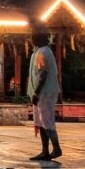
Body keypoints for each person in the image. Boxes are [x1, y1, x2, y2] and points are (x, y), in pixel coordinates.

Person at [27, 29, 62, 161]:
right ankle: (45, 151)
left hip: (44, 92)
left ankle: (56, 148)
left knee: (46, 121)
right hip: (41, 92)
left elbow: (43, 73)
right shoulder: (39, 52)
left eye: (33, 38)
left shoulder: (42, 53)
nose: (31, 41)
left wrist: (36, 92)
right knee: (40, 122)